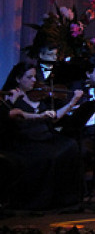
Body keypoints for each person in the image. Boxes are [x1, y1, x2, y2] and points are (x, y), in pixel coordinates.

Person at [1, 62, 84, 210]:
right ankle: (41, 201)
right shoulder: (11, 98)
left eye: (34, 77)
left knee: (70, 145)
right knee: (50, 155)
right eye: (29, 77)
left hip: (44, 136)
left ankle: (66, 198)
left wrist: (73, 102)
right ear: (18, 79)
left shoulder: (37, 96)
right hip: (25, 140)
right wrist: (12, 102)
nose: (34, 80)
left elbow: (53, 118)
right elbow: (16, 118)